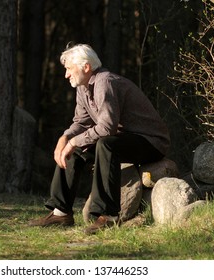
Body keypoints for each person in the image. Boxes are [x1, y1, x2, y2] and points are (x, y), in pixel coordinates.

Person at [29, 43, 170, 234]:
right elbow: (81, 122)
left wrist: (73, 141)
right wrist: (65, 138)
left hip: (151, 142)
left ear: (86, 67)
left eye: (69, 69)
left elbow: (106, 128)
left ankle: (109, 216)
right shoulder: (83, 86)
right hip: (123, 139)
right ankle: (61, 212)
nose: (66, 75)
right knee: (76, 150)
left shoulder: (105, 82)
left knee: (105, 144)